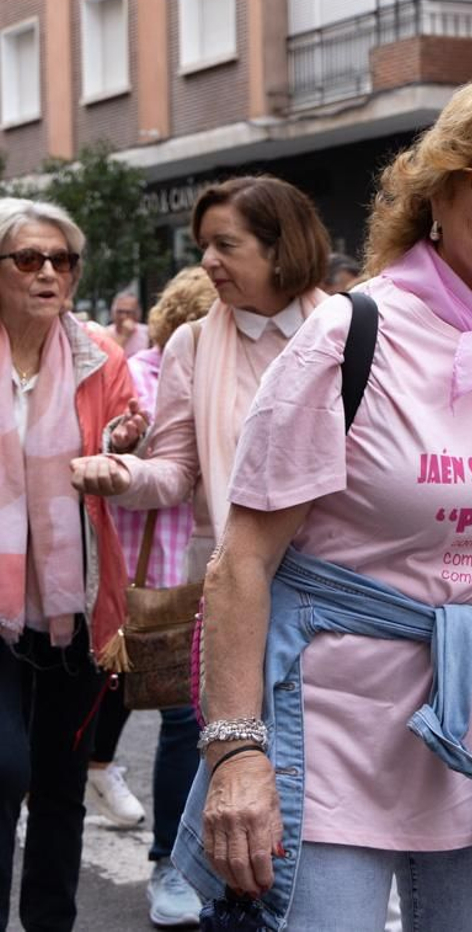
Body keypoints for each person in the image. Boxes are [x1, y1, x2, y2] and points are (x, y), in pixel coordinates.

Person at [156, 76, 472, 930]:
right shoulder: (351, 333)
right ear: (437, 193)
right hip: (336, 739)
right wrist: (236, 752)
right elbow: (241, 562)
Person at [70, 175, 332, 922]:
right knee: (230, 756)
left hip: (340, 593)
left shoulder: (348, 326)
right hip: (233, 589)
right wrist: (120, 474)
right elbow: (179, 472)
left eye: (226, 245)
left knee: (324, 778)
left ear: (282, 248)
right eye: (203, 247)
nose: (208, 263)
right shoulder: (191, 341)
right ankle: (195, 879)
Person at [1, 197, 141, 931]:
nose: (48, 272)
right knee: (3, 769)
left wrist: (124, 452)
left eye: (62, 260)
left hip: (77, 600)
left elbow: (128, 438)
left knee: (58, 781)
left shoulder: (100, 355)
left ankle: (50, 921)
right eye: (29, 258)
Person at [88, 266, 217, 925]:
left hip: (214, 569)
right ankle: (170, 860)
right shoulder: (141, 376)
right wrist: (123, 443)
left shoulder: (228, 374)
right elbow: (128, 451)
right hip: (154, 574)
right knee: (178, 717)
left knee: (183, 715)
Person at [112, 289, 152, 357]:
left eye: (128, 312)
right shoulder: (104, 333)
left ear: (138, 314)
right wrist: (124, 336)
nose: (123, 317)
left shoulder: (148, 333)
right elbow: (111, 359)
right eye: (120, 312)